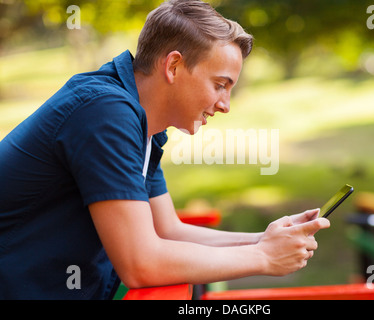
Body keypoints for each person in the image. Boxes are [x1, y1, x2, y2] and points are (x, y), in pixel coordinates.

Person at [0, 0, 330, 300]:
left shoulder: (142, 124)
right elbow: (140, 263)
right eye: (219, 85)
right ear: (173, 66)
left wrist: (263, 239)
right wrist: (263, 258)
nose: (225, 105)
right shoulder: (105, 113)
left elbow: (167, 230)